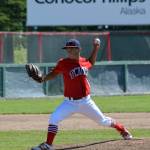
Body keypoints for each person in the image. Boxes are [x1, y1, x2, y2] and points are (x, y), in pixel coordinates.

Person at [31, 38, 132, 150]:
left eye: (71, 48)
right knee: (54, 118)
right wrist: (43, 79)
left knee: (103, 121)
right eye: (67, 48)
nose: (68, 50)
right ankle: (48, 145)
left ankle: (122, 129)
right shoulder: (63, 63)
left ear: (78, 49)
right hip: (69, 102)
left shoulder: (84, 62)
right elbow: (53, 74)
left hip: (86, 101)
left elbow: (91, 62)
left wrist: (96, 48)